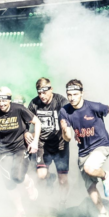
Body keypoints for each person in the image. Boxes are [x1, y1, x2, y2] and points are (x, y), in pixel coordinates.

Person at [59, 79, 109, 217]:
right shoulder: (64, 111)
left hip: (101, 145)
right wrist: (65, 133)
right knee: (90, 186)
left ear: (82, 93)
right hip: (83, 152)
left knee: (90, 168)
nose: (72, 97)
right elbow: (67, 138)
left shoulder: (93, 107)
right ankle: (103, 214)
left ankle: (106, 176)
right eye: (69, 94)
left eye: (75, 94)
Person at [0, 87, 41, 217]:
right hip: (4, 150)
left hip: (20, 148)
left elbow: (37, 122)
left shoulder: (19, 109)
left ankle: (29, 184)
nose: (1, 103)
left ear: (9, 99)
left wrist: (35, 142)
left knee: (17, 177)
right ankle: (20, 210)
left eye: (4, 100)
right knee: (8, 181)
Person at [26, 78, 70, 206]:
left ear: (51, 89)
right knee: (41, 175)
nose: (42, 96)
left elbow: (71, 117)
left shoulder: (61, 101)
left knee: (62, 179)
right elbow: (26, 122)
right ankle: (50, 179)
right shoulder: (34, 103)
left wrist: (68, 130)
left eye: (45, 92)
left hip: (60, 144)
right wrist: (26, 132)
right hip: (42, 144)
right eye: (39, 93)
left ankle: (63, 203)